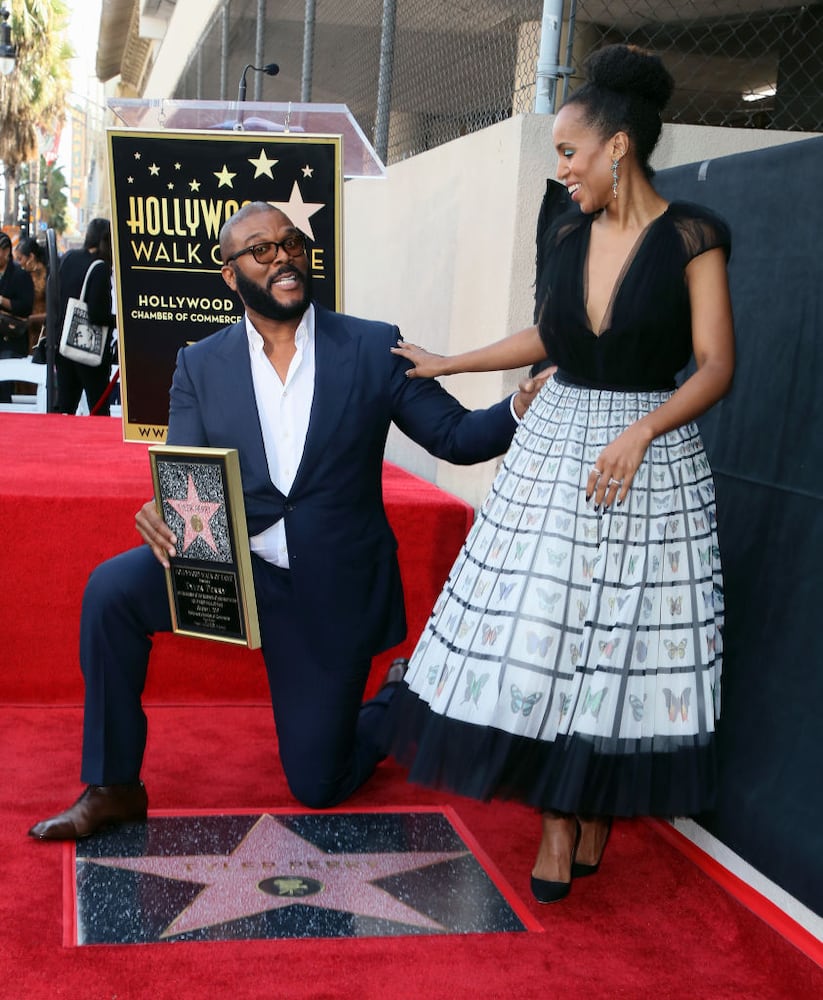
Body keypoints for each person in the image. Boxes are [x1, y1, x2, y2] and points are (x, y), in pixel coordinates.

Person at [28, 201, 548, 841]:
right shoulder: (200, 363)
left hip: (327, 588)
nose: (282, 258)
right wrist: (162, 508)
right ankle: (113, 786)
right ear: (230, 274)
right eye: (261, 250)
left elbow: (456, 436)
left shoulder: (369, 345)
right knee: (111, 590)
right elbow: (189, 471)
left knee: (318, 787)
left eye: (290, 243)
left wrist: (520, 405)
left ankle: (401, 695)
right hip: (234, 570)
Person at [381, 43, 735, 903]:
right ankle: (554, 820)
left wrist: (643, 431)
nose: (563, 170)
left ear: (618, 147)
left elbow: (715, 364)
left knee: (620, 637)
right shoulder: (567, 225)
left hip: (646, 459)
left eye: (570, 154)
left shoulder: (693, 235)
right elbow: (549, 335)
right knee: (545, 626)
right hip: (557, 447)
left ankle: (590, 802)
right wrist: (448, 363)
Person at [55, 217, 115, 416]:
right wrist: (118, 321)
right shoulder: (100, 267)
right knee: (98, 408)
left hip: (63, 344)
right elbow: (97, 314)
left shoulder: (69, 257)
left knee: (65, 407)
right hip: (89, 350)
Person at [0, 230, 35, 402]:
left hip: (11, 338)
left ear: (6, 252)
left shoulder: (20, 275)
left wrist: (2, 301)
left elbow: (25, 306)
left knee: (4, 383)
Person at [16, 237, 48, 353]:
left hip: (42, 330)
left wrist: (30, 319)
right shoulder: (24, 274)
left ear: (31, 257)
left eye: (20, 259)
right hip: (27, 330)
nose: (19, 263)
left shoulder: (45, 276)